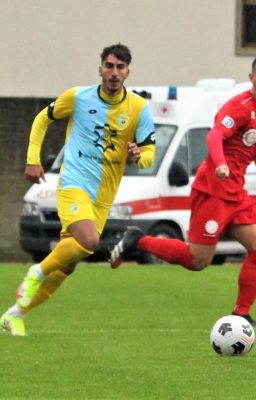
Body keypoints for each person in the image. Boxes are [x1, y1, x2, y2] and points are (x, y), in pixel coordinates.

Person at [109, 54, 256, 326]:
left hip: (236, 192)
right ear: (251, 78)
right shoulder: (239, 106)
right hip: (213, 189)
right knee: (197, 260)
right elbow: (214, 136)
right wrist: (221, 164)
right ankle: (137, 240)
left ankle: (241, 314)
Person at [0, 44, 156, 336]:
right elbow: (42, 119)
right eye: (109, 66)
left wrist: (139, 155)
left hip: (102, 196)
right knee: (89, 240)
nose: (114, 73)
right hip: (74, 183)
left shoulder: (138, 108)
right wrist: (33, 159)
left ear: (128, 72)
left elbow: (149, 154)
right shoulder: (78, 97)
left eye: (120, 68)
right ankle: (36, 272)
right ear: (100, 69)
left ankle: (14, 314)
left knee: (68, 265)